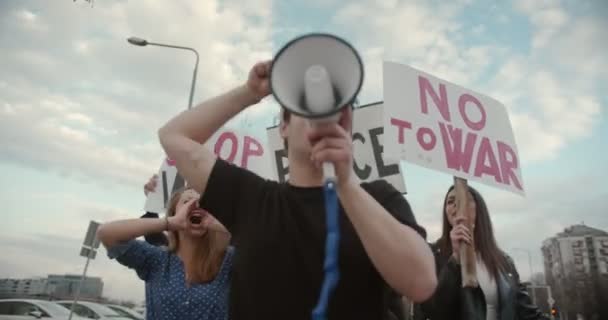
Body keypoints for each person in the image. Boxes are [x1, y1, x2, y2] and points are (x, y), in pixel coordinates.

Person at [157, 59, 437, 319]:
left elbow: (421, 283)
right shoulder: (251, 198)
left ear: (348, 125)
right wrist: (250, 92)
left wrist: (345, 184)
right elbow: (173, 135)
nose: (323, 113)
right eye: (308, 104)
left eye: (335, 106)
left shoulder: (379, 198)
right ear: (284, 126)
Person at [97, 187, 233, 320]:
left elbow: (253, 242)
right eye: (187, 202)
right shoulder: (156, 259)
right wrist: (169, 223)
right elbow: (106, 233)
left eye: (203, 203)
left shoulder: (228, 260)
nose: (196, 206)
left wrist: (221, 224)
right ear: (174, 212)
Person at [415, 185, 548, 320]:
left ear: (479, 209)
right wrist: (456, 259)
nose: (457, 204)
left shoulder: (503, 261)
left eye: (466, 199)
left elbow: (525, 311)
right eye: (450, 201)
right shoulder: (432, 254)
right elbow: (433, 310)